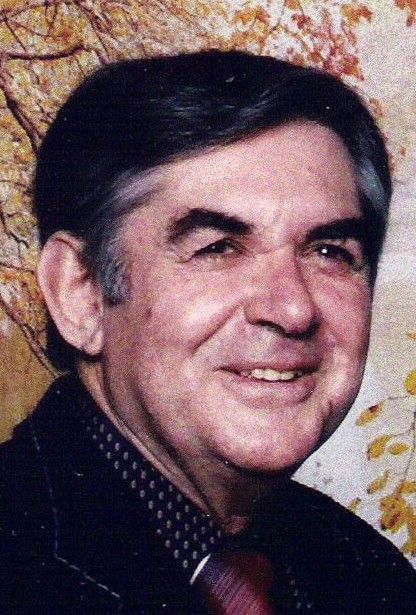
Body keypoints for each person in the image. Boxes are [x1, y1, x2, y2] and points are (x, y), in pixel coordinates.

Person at [1, 50, 415, 614]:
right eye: (218, 248)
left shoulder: (374, 579)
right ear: (81, 293)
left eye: (329, 251)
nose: (292, 309)